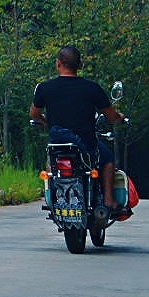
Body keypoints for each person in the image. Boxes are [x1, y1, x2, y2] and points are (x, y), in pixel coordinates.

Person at [30, 45, 127, 214]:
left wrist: (46, 122)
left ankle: (53, 198)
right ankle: (109, 201)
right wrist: (120, 118)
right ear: (79, 65)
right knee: (108, 159)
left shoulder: (45, 88)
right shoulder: (91, 88)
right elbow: (111, 116)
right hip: (86, 143)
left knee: (52, 166)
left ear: (58, 63)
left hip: (58, 144)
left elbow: (34, 115)